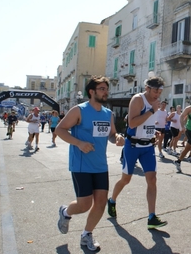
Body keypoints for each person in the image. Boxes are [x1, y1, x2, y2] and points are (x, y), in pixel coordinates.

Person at [55, 75, 125, 251]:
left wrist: (116, 138)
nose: (105, 92)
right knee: (84, 205)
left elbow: (111, 134)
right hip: (81, 165)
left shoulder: (108, 114)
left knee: (101, 203)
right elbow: (60, 130)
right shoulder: (79, 110)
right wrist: (79, 143)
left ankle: (87, 234)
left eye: (106, 89)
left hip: (100, 165)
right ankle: (65, 212)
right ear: (91, 92)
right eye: (102, 89)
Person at [108, 76, 167, 230]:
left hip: (147, 147)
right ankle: (112, 200)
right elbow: (132, 122)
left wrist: (153, 132)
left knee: (152, 179)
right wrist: (152, 110)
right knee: (126, 179)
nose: (157, 95)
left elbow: (147, 123)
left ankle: (152, 217)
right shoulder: (138, 99)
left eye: (160, 91)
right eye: (155, 91)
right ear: (147, 88)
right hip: (132, 145)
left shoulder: (156, 102)